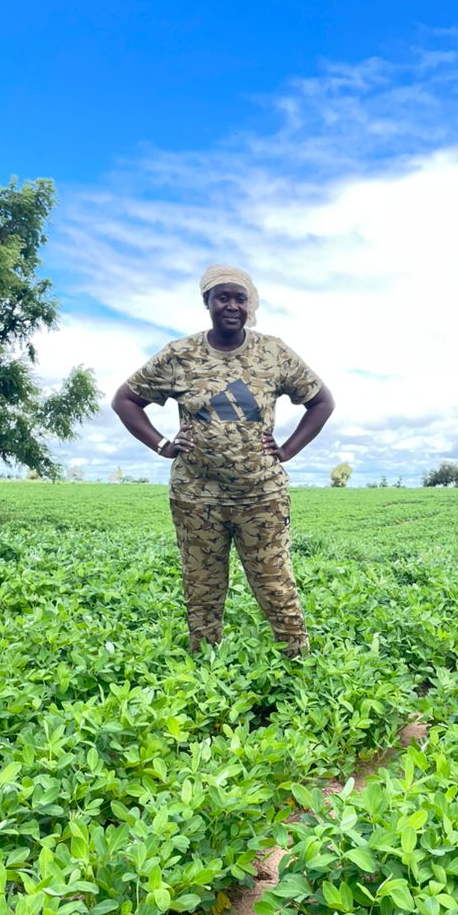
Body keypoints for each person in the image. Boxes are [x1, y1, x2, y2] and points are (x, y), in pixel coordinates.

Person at [112, 266, 335, 656]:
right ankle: (206, 669)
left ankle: (299, 665)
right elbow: (125, 400)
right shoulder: (180, 355)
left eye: (240, 298)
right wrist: (163, 444)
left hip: (260, 496)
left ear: (250, 305)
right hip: (196, 498)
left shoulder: (273, 352)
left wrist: (287, 450)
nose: (232, 305)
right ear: (207, 303)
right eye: (222, 297)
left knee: (275, 585)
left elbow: (320, 401)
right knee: (201, 590)